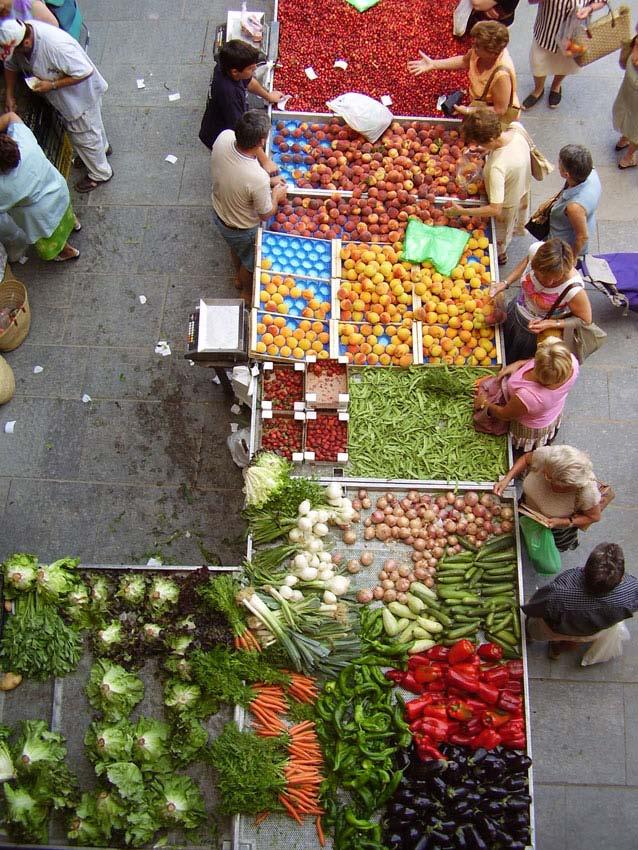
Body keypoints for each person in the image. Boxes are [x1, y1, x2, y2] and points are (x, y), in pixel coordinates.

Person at [0, 18, 112, 194]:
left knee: (84, 135)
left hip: (79, 99)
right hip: (64, 99)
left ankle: (100, 173)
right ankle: (100, 150)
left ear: (26, 42)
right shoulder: (21, 37)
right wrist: (9, 95)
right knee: (92, 130)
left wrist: (51, 85)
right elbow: (10, 64)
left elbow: (84, 71)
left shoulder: (56, 46)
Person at [211, 110, 287, 301]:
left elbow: (239, 177)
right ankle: (245, 290)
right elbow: (265, 213)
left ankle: (237, 276)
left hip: (220, 212)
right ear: (261, 142)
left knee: (236, 248)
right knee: (252, 263)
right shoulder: (257, 177)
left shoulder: (223, 137)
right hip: (242, 228)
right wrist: (276, 195)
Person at [522, 543, 638, 659]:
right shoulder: (633, 590)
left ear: (584, 569)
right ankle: (555, 652)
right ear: (621, 578)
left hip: (553, 629)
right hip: (589, 632)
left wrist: (528, 607)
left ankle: (528, 637)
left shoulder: (560, 591)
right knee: (573, 641)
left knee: (534, 629)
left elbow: (534, 608)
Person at [446, 110, 530, 264]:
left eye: (479, 143)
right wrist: (487, 150)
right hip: (521, 186)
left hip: (506, 203)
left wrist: (463, 211)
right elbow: (507, 149)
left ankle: (500, 255)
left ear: (489, 139)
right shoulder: (516, 129)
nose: (478, 146)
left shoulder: (496, 167)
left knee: (501, 235)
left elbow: (495, 209)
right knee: (513, 223)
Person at [474, 335, 579, 451]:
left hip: (530, 424)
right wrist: (518, 364)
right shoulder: (570, 363)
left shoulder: (529, 396)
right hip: (551, 411)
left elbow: (505, 414)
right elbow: (541, 362)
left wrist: (484, 403)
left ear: (538, 371)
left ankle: (519, 451)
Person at [408, 21, 520, 127]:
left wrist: (468, 110)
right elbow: (464, 61)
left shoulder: (501, 76)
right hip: (480, 103)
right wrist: (433, 64)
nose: (473, 48)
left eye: (477, 46)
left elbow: (500, 110)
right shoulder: (478, 52)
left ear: (492, 52)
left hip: (493, 117)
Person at [0, 111, 80, 261]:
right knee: (65, 213)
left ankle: (67, 251)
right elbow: (11, 116)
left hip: (40, 215)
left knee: (50, 236)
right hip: (57, 189)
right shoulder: (25, 144)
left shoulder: (4, 187)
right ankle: (74, 224)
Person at [496, 239, 592, 362]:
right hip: (515, 312)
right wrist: (506, 282)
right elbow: (525, 262)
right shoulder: (535, 251)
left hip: (535, 334)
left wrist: (551, 324)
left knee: (517, 361)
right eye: (542, 275)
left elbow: (585, 320)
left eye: (555, 279)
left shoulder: (574, 289)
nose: (548, 282)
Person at [494, 444, 602, 551]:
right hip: (526, 508)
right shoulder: (548, 457)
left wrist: (564, 522)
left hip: (555, 528)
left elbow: (594, 517)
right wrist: (507, 479)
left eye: (548, 476)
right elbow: (526, 459)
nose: (543, 473)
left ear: (565, 484)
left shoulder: (587, 492)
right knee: (524, 528)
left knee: (547, 549)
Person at [199, 39, 284, 167]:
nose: (255, 69)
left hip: (225, 120)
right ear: (235, 71)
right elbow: (243, 132)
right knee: (229, 163)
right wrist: (265, 161)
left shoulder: (225, 67)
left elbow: (248, 81)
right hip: (218, 134)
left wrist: (268, 96)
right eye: (250, 68)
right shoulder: (229, 95)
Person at [522, 0, 608, 110]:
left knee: (566, 63)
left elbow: (602, 1)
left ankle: (556, 85)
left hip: (574, 32)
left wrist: (590, 8)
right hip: (547, 29)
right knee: (538, 62)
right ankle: (538, 89)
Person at [544, 145, 601, 258]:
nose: (558, 164)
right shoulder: (591, 173)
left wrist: (572, 258)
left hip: (562, 246)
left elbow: (582, 236)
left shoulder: (574, 207)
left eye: (560, 163)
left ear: (567, 174)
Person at [612, 26, 638, 170]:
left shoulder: (635, 42)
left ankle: (624, 138)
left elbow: (625, 62)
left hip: (629, 85)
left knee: (627, 109)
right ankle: (628, 158)